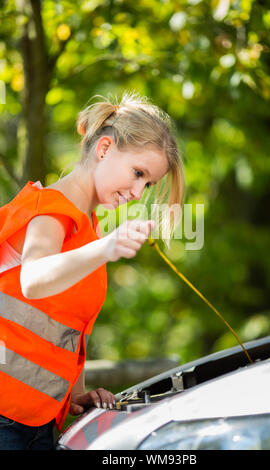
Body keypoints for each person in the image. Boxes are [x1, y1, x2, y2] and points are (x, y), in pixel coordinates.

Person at [0, 91, 185, 450]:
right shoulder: (51, 209)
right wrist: (106, 248)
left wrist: (75, 395)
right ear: (103, 149)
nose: (138, 192)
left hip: (39, 422)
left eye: (147, 184)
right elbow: (34, 280)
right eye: (137, 173)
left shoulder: (89, 229)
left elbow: (65, 326)